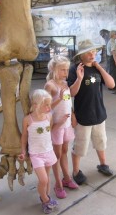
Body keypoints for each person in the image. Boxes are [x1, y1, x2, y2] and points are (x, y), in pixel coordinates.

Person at [67, 39, 115, 185]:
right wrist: (80, 78)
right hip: (83, 115)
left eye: (94, 51)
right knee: (81, 145)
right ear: (81, 55)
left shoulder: (96, 68)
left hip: (99, 113)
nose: (92, 54)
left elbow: (111, 84)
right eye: (88, 52)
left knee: (101, 141)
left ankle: (103, 164)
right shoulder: (74, 69)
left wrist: (99, 68)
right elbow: (70, 93)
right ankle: (75, 171)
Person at [44, 55, 78, 199]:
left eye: (67, 70)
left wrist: (72, 114)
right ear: (53, 69)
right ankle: (57, 184)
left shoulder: (64, 83)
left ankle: (66, 178)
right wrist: (59, 97)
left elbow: (68, 101)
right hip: (56, 126)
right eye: (62, 70)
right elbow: (44, 108)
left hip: (66, 124)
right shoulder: (50, 85)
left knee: (64, 150)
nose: (66, 73)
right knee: (56, 156)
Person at [19, 89, 58, 214]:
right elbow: (24, 136)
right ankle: (47, 200)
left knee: (47, 178)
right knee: (43, 180)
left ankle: (44, 198)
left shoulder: (49, 116)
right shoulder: (28, 120)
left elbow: (49, 129)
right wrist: (23, 151)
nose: (48, 107)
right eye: (45, 104)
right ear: (35, 105)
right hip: (36, 155)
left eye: (49, 104)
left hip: (48, 151)